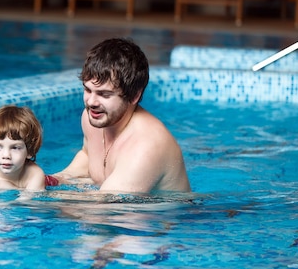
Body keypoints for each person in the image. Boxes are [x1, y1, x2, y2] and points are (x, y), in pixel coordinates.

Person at [48, 37, 191, 193]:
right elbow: (88, 154)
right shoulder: (93, 117)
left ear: (134, 96)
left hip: (174, 215)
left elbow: (103, 207)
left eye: (105, 94)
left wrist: (39, 198)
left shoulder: (147, 145)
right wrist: (56, 178)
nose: (91, 102)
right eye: (88, 90)